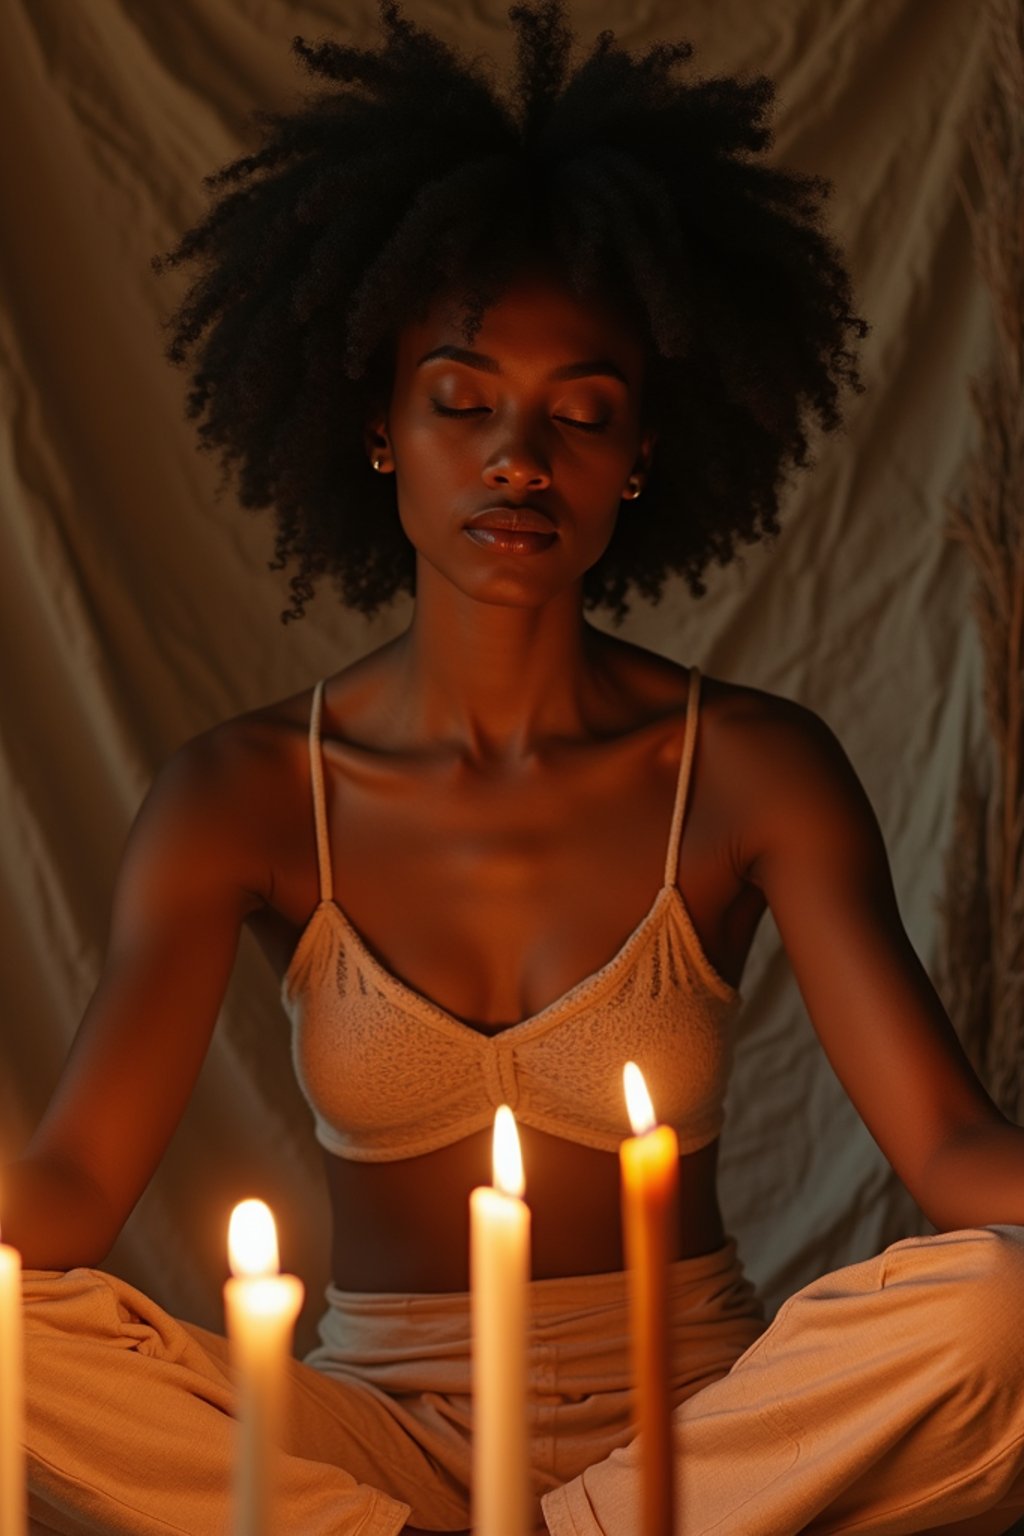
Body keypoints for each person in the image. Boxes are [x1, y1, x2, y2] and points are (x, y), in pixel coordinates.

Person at [5, 1, 1024, 1532]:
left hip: (702, 1429)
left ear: (645, 455)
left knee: (997, 1310)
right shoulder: (242, 795)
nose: (518, 463)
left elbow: (951, 1153)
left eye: (582, 415)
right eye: (464, 402)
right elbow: (72, 1195)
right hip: (367, 1444)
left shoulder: (749, 769)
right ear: (377, 427)